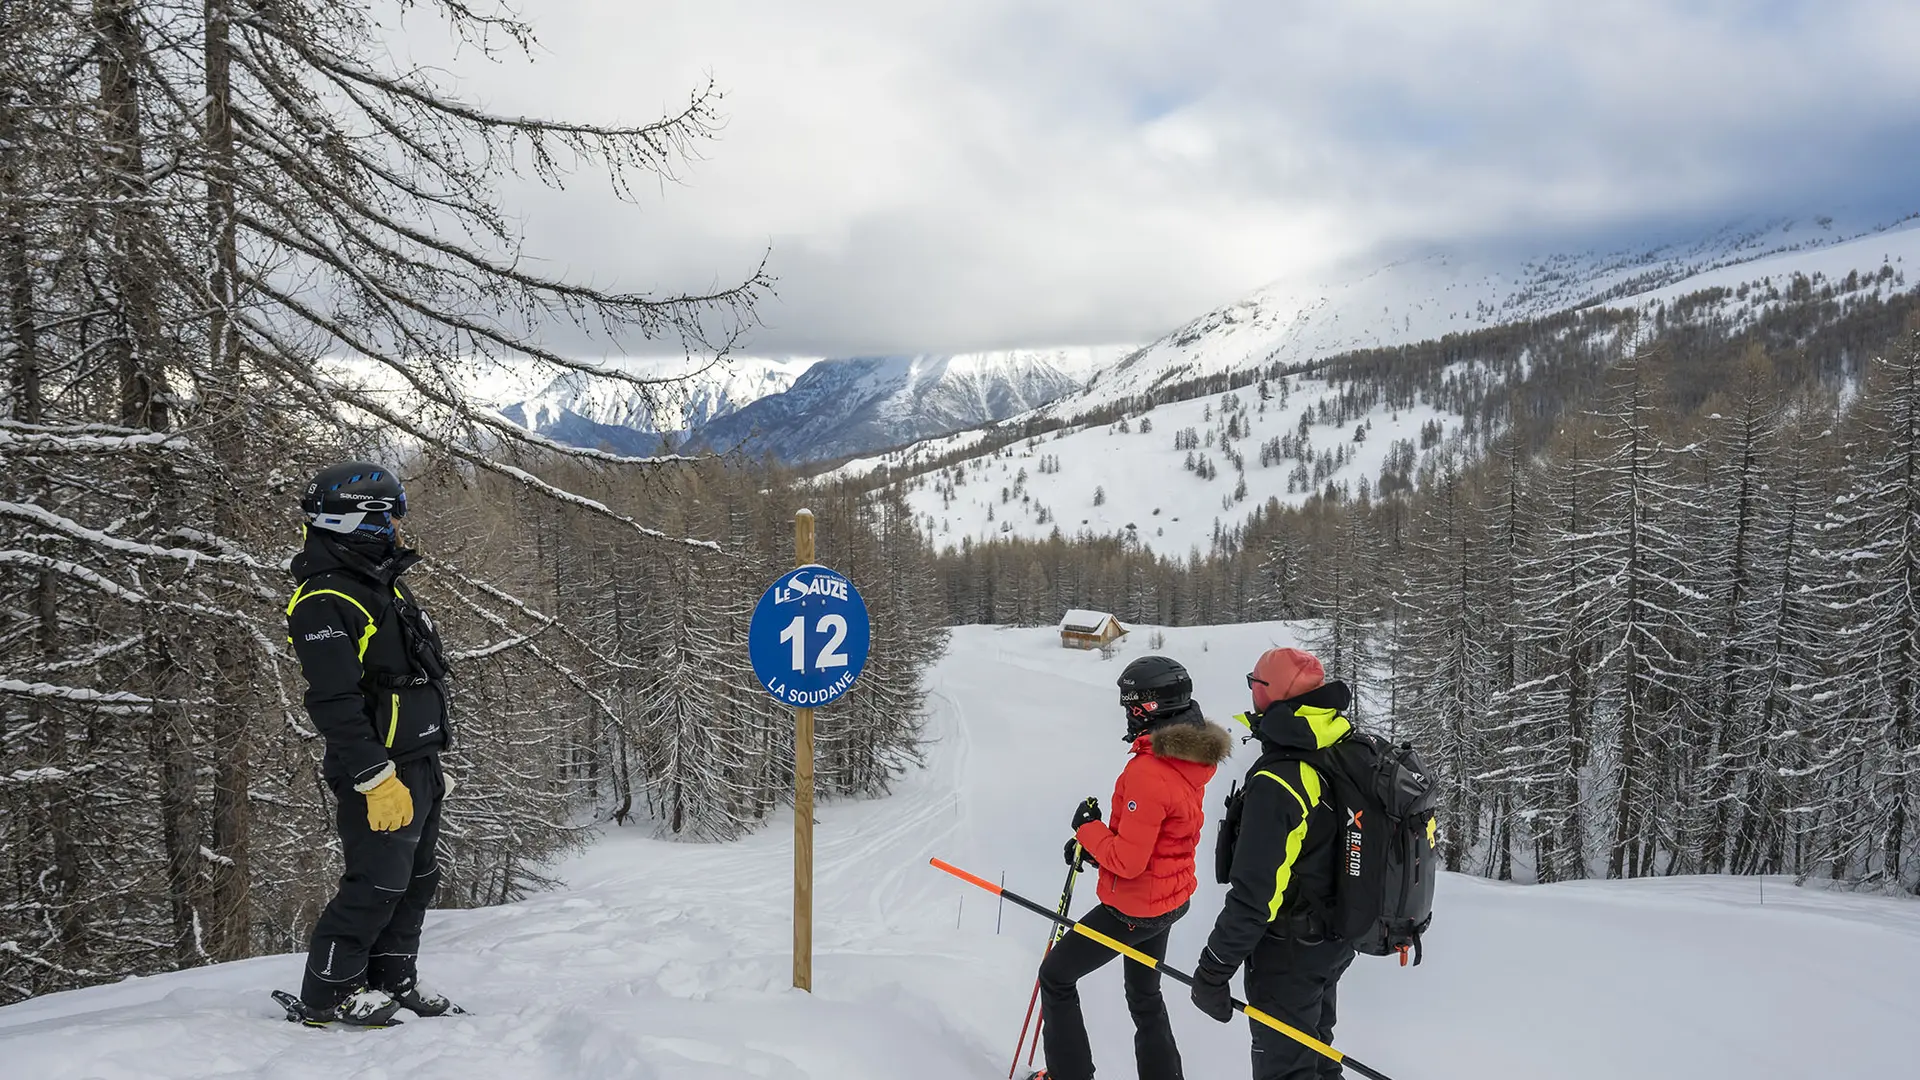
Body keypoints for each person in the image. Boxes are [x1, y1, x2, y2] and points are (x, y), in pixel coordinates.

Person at [287, 462, 457, 1025]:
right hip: (378, 768)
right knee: (377, 883)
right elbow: (334, 701)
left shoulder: (379, 582)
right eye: (390, 515)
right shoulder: (325, 599)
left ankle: (392, 978)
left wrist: (430, 755)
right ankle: (328, 995)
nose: (398, 526)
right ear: (358, 519)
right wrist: (374, 777)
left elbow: (411, 674)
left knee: (417, 879)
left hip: (417, 760)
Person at [1036, 655, 1233, 1080]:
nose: (1127, 714)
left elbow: (1127, 862)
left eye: (1132, 705)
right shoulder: (1190, 757)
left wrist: (1087, 828)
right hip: (1169, 898)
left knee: (1055, 976)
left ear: (1152, 708)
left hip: (1135, 909)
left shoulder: (1148, 770)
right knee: (1144, 995)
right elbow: (1158, 836)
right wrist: (1093, 846)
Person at [1189, 647, 1355, 1080]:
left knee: (1287, 1070)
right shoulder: (1337, 742)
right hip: (1333, 939)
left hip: (1290, 952)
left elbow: (1256, 894)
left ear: (1269, 694)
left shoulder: (1281, 780)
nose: (1251, 692)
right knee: (1316, 1058)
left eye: (1255, 684)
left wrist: (1213, 969)